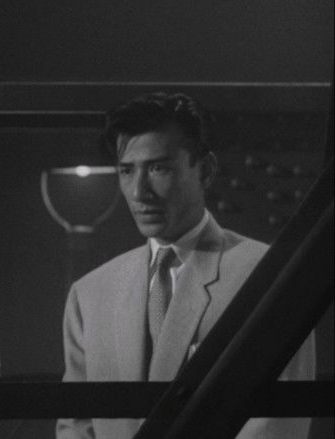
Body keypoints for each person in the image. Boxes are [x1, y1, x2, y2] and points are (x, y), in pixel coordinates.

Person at [56, 92, 316, 439]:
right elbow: (76, 426)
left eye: (158, 168)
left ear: (205, 170)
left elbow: (276, 426)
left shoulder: (267, 276)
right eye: (127, 170)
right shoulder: (90, 294)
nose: (139, 191)